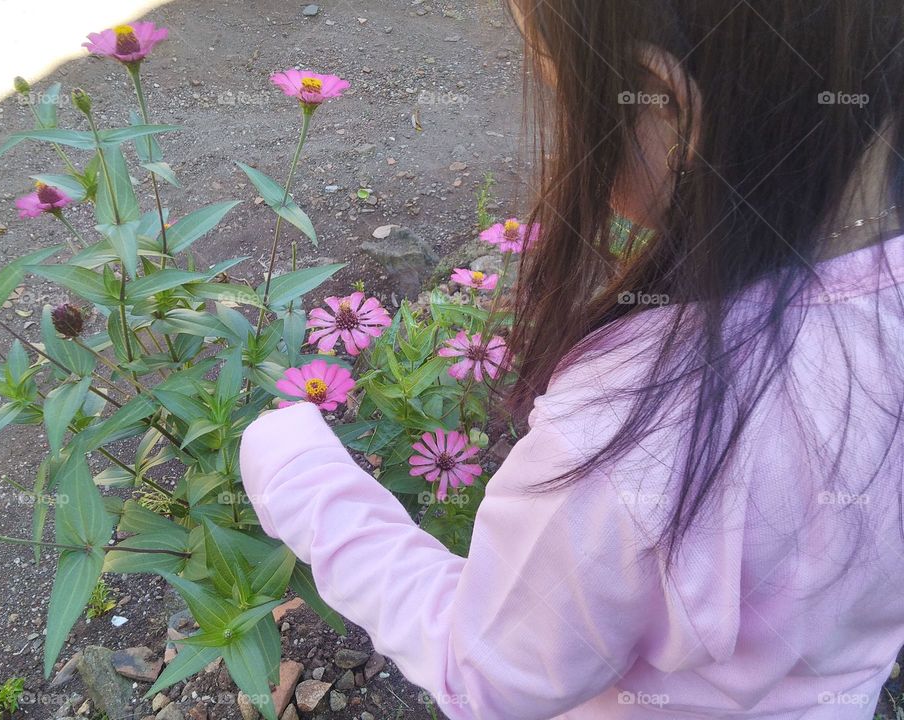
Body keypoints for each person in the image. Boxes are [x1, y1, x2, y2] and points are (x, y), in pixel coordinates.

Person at [240, 1, 904, 717]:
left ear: (661, 102)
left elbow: (490, 675)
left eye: (559, 86)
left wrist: (298, 474)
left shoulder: (635, 435)